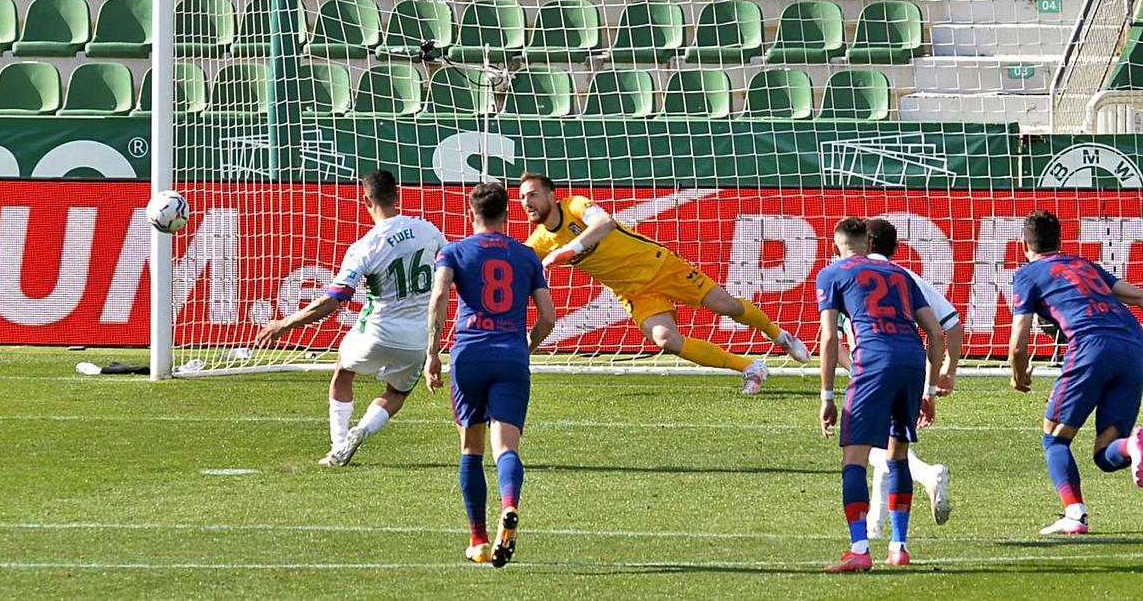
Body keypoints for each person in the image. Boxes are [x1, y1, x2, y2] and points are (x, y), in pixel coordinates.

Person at [517, 172, 808, 393]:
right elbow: (518, 267)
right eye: (522, 198)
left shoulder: (577, 205)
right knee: (667, 341)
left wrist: (569, 250)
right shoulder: (539, 241)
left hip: (660, 265)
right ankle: (749, 366)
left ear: (553, 195)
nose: (527, 203)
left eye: (533, 195)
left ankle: (779, 335)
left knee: (727, 306)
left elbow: (605, 224)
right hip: (633, 292)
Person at [256, 170, 446, 466]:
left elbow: (333, 301)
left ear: (365, 200)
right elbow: (450, 268)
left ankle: (339, 444)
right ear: (397, 195)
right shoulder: (427, 229)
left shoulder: (364, 247)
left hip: (378, 331)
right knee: (397, 392)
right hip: (418, 338)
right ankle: (363, 430)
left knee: (343, 370)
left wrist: (284, 324)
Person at [426, 182, 556, 568]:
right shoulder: (527, 255)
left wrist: (432, 354)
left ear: (471, 214)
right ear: (507, 214)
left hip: (469, 355)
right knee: (506, 448)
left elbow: (439, 299)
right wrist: (525, 346)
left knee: (471, 448)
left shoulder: (452, 251)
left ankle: (479, 541)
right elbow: (548, 317)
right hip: (511, 355)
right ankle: (510, 505)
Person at [817, 217, 944, 572]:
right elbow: (935, 332)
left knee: (854, 459)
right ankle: (898, 547)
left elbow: (830, 338)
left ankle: (859, 549)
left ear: (835, 245)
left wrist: (827, 395)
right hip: (911, 361)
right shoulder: (901, 274)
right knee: (897, 454)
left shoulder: (832, 273)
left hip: (873, 362)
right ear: (868, 244)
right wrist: (929, 389)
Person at [1008, 209, 1143, 535]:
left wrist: (1018, 373)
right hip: (1134, 347)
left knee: (1054, 438)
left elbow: (1017, 341)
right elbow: (1138, 296)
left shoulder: (1027, 274)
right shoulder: (1084, 264)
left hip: (1091, 347)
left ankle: (1075, 515)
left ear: (1025, 245)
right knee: (1107, 454)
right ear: (1060, 240)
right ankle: (1135, 445)